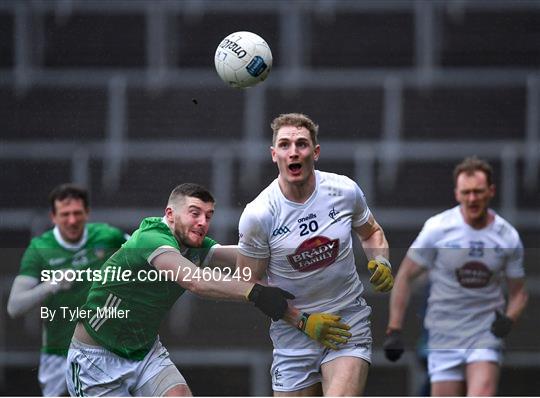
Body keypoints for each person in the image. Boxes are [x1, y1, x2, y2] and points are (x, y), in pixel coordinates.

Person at [65, 182, 348, 397]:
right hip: (96, 362)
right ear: (170, 214)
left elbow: (246, 260)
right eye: (194, 213)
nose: (202, 222)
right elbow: (195, 280)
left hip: (145, 351)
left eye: (208, 215)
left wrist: (299, 254)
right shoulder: (151, 239)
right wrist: (256, 292)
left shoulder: (196, 245)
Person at [236, 113, 394, 396]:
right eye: (284, 145)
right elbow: (249, 283)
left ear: (316, 152)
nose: (293, 151)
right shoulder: (259, 214)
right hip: (293, 333)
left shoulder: (343, 190)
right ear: (274, 155)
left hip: (347, 321)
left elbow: (371, 232)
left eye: (302, 144)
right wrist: (302, 320)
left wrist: (381, 259)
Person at [383, 157, 529, 396]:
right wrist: (394, 329)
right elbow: (405, 275)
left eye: (478, 191)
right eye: (466, 192)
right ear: (456, 193)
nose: (472, 199)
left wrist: (509, 319)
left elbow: (519, 292)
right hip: (444, 333)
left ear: (491, 191)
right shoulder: (437, 228)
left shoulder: (507, 236)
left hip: (484, 333)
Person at [6, 183, 128, 396]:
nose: (72, 221)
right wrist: (50, 285)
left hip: (103, 350)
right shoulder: (39, 249)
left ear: (87, 213)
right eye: (65, 214)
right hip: (58, 354)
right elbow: (15, 307)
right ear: (53, 217)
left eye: (77, 213)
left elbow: (145, 252)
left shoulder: (108, 236)